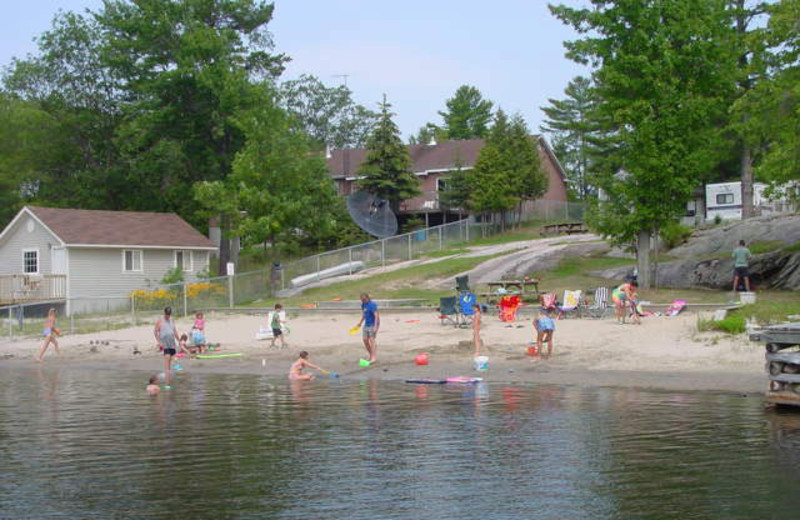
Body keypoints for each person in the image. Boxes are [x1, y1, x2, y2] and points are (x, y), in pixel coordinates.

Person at [154, 307, 180, 387]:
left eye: (169, 315)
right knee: (167, 362)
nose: (168, 316)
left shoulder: (172, 320)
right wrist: (159, 342)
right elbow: (155, 331)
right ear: (164, 313)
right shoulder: (160, 320)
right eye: (166, 314)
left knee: (173, 359)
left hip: (172, 343)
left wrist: (179, 340)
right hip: (165, 343)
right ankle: (167, 384)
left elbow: (174, 330)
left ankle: (169, 380)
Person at [356, 293, 380, 363]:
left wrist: (375, 326)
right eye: (361, 300)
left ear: (366, 298)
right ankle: (371, 355)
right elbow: (364, 314)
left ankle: (374, 358)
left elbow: (376, 316)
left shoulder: (372, 305)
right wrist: (360, 323)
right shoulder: (363, 305)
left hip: (373, 324)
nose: (362, 301)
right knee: (365, 340)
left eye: (363, 299)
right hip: (367, 324)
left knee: (372, 340)